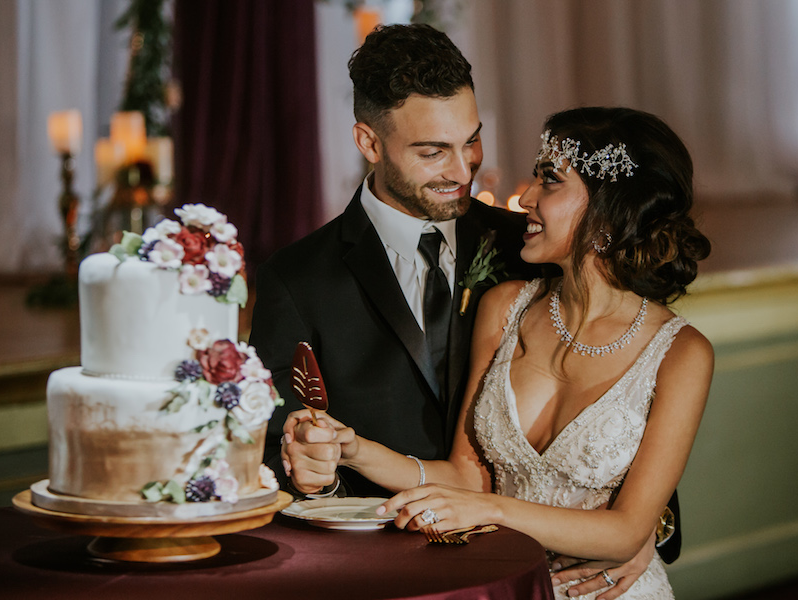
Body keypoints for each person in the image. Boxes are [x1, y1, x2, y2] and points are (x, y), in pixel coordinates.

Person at [251, 23, 677, 597]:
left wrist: (643, 525)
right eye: (432, 152)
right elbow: (279, 458)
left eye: (471, 140)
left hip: (536, 573)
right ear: (369, 143)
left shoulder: (534, 248)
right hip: (384, 578)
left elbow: (632, 383)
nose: (462, 169)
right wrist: (313, 472)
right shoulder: (296, 280)